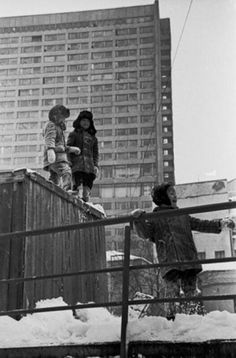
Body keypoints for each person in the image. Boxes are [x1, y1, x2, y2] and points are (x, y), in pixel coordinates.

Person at [131, 182, 235, 319]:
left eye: (175, 192)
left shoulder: (182, 215)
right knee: (172, 291)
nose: (175, 196)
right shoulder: (155, 218)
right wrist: (138, 220)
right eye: (171, 193)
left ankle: (194, 318)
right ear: (162, 197)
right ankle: (171, 320)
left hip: (188, 259)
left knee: (191, 291)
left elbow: (201, 224)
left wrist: (220, 224)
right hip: (169, 261)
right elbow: (145, 233)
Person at [43, 104, 80, 191]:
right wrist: (50, 150)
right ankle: (67, 190)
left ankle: (51, 190)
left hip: (57, 157)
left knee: (54, 178)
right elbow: (49, 138)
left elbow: (62, 146)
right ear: (56, 116)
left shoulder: (59, 128)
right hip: (56, 158)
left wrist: (72, 149)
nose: (64, 120)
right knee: (66, 171)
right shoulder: (51, 125)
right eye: (62, 117)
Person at [66, 110, 99, 202]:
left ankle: (86, 198)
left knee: (87, 184)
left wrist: (96, 165)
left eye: (88, 121)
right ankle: (75, 197)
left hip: (90, 167)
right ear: (79, 122)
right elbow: (67, 149)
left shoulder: (93, 138)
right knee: (76, 183)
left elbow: (95, 153)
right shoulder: (74, 134)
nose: (85, 123)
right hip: (77, 165)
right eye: (83, 120)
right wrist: (69, 161)